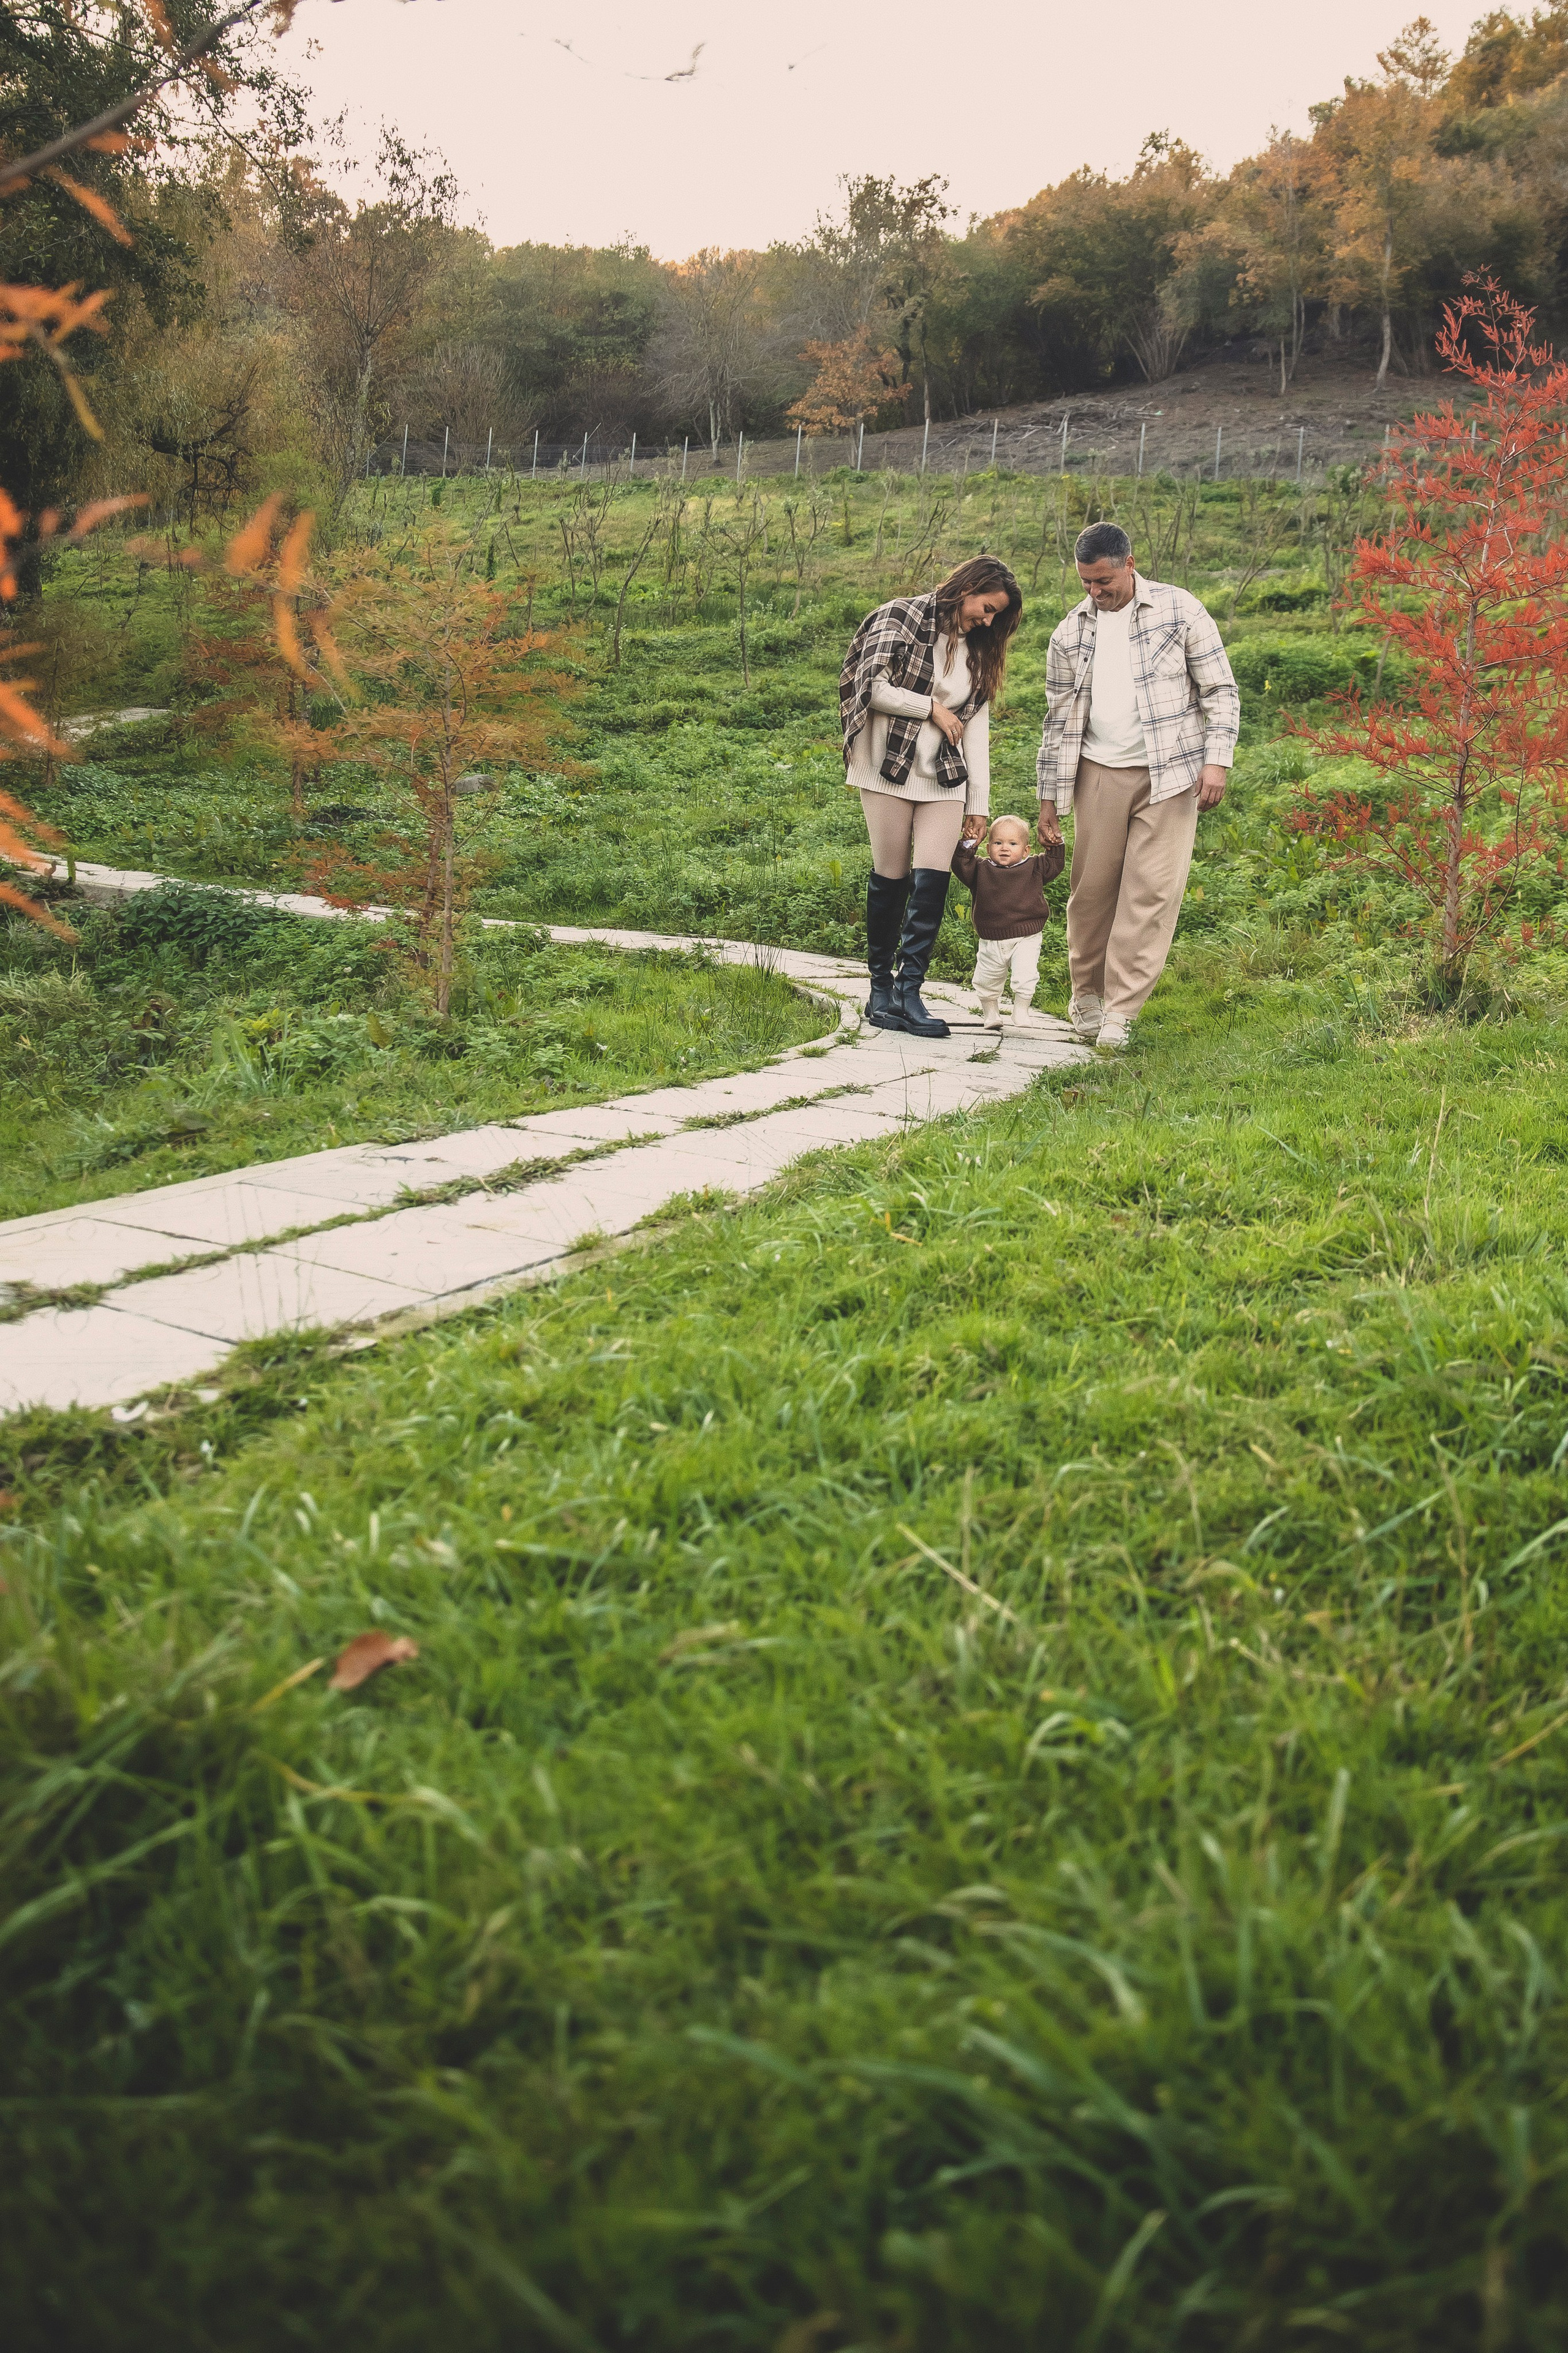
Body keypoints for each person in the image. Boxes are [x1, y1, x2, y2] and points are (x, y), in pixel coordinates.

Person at [1035, 521, 1239, 1051]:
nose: (1096, 593)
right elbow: (1056, 722)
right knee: (1092, 892)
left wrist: (1217, 762)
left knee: (1150, 892)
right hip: (1097, 774)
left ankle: (1120, 1011)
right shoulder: (1068, 633)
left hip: (1169, 774)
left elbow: (1220, 689)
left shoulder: (1181, 610)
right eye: (1086, 584)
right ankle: (1085, 995)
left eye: (1104, 581)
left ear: (1130, 564)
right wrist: (1049, 799)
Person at [840, 555, 1023, 1039]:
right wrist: (933, 709)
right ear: (968, 587)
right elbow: (871, 686)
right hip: (887, 766)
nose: (987, 621)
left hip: (944, 774)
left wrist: (978, 803)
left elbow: (976, 727)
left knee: (933, 880)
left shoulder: (979, 649)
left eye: (995, 617)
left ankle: (910, 990)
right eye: (986, 608)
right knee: (891, 876)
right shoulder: (900, 616)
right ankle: (880, 989)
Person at [950, 814, 1064, 1028]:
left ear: (1026, 850)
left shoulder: (1035, 867)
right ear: (987, 847)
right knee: (987, 978)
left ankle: (1021, 1011)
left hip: (1026, 936)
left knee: (1026, 975)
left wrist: (1055, 843)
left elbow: (1055, 864)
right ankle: (991, 1013)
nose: (1005, 848)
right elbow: (961, 864)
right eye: (998, 843)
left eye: (1013, 844)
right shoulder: (980, 869)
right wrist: (968, 843)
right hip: (991, 938)